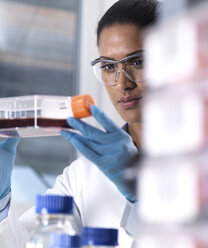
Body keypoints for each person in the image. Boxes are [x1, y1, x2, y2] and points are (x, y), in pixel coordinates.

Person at [0, 0, 160, 247]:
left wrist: (141, 192)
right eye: (108, 66)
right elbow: (30, 244)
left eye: (138, 62)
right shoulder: (83, 176)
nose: (122, 83)